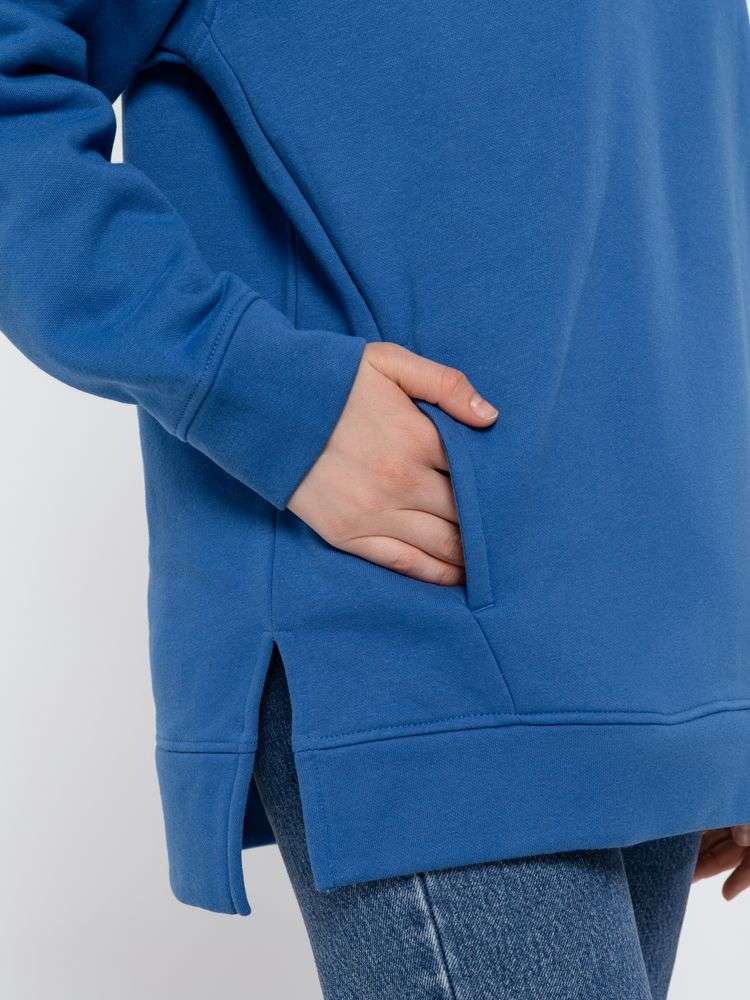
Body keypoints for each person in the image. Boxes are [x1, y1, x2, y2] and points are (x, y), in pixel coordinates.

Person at [1, 2, 749, 997]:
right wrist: (250, 383)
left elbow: (669, 143)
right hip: (406, 609)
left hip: (649, 628)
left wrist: (724, 672)